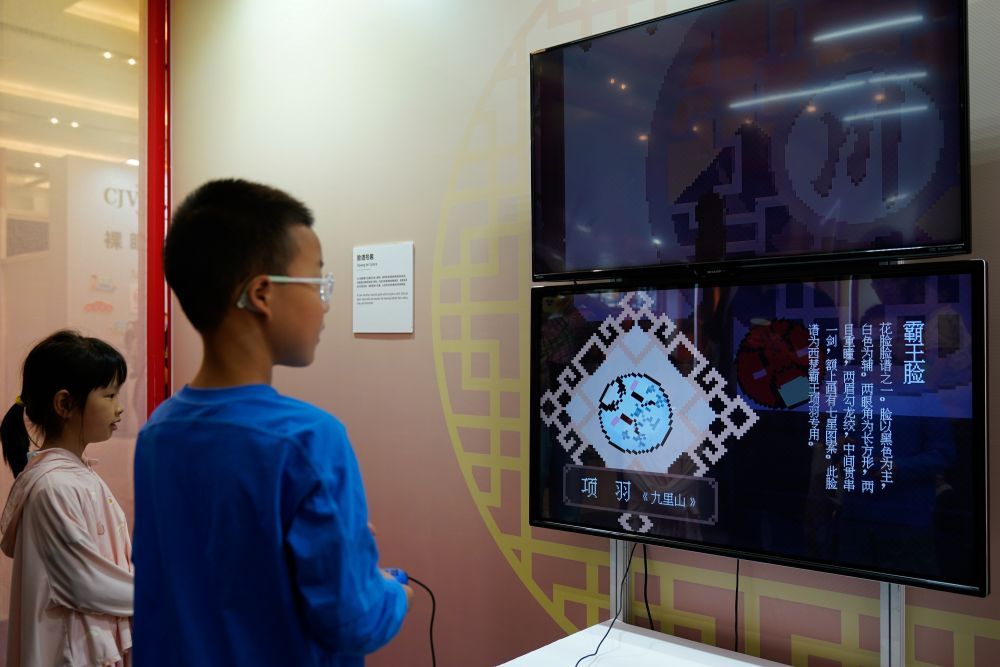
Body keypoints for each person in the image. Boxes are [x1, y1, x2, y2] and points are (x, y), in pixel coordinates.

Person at [133, 179, 410, 666]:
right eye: (318, 284)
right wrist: (393, 591)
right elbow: (355, 620)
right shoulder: (308, 440)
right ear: (262, 293)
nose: (324, 303)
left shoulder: (158, 432)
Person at [0, 330, 134, 667]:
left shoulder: (76, 476)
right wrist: (160, 593)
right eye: (109, 395)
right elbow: (83, 582)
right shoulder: (54, 487)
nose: (119, 408)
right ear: (64, 404)